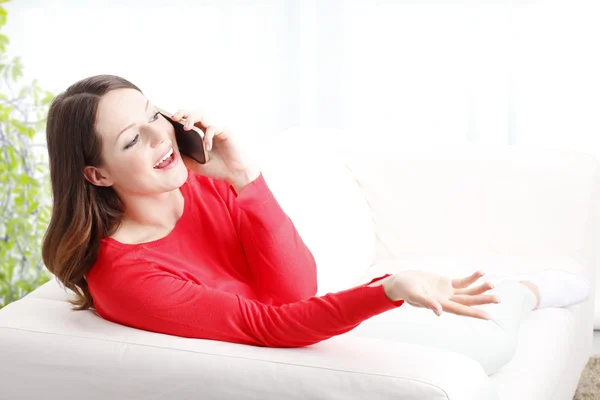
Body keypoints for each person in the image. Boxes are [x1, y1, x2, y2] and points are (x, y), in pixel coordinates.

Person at [41, 74, 590, 376]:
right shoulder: (127, 275)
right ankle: (530, 290)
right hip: (283, 350)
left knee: (480, 331)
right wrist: (388, 289)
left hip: (303, 324)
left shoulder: (199, 181)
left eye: (152, 115)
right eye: (131, 140)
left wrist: (245, 176)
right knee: (489, 345)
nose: (161, 138)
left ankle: (528, 289)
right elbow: (269, 324)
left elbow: (293, 288)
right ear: (95, 174)